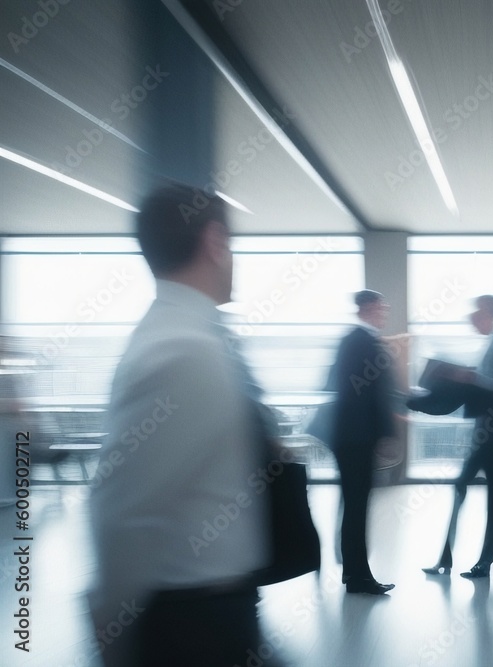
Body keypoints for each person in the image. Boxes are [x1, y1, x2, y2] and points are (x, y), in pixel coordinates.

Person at [89, 185, 273, 666]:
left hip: (213, 610)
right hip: (195, 622)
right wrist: (111, 626)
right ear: (214, 241)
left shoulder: (185, 335)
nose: (234, 258)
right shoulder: (185, 350)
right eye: (231, 244)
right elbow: (124, 512)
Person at [422, 295, 493, 579]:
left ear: (492, 313)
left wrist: (470, 377)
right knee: (486, 492)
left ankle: (483, 561)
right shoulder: (491, 345)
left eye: (479, 312)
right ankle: (450, 558)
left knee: (491, 496)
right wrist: (469, 376)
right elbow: (488, 382)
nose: (474, 317)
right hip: (486, 432)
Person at [324, 290, 397, 594]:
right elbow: (374, 396)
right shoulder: (366, 342)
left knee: (353, 504)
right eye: (381, 307)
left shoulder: (349, 340)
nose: (385, 312)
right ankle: (358, 577)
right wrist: (386, 434)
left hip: (347, 436)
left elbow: (332, 383)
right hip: (357, 437)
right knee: (357, 506)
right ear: (368, 308)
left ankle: (353, 572)